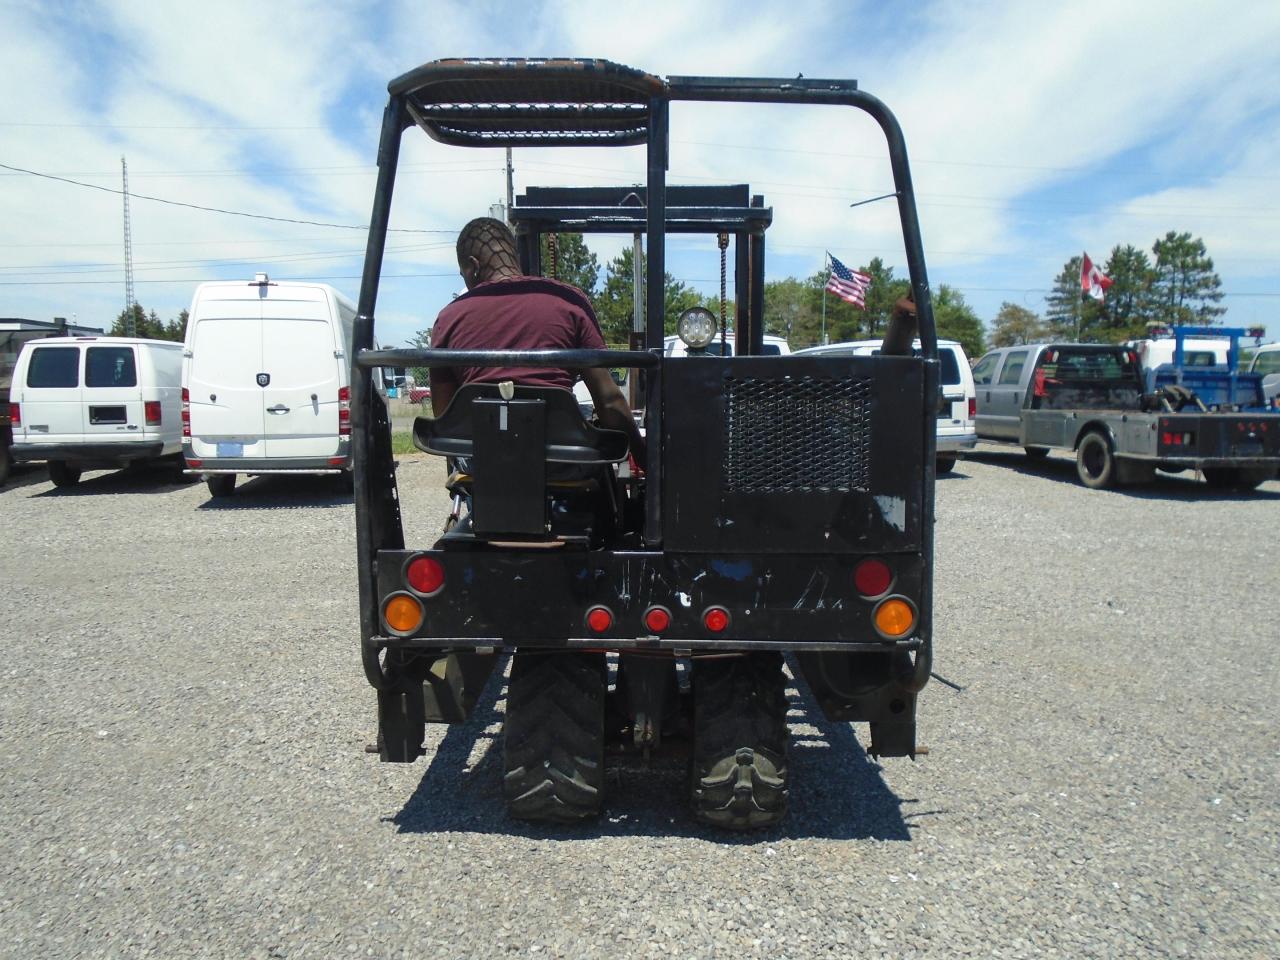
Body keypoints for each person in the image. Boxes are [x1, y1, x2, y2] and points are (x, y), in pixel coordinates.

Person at [429, 217, 646, 468]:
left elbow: (444, 419)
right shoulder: (568, 301)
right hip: (561, 460)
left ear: (472, 266)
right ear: (515, 257)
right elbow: (608, 400)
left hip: (486, 464)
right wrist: (644, 458)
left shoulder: (449, 318)